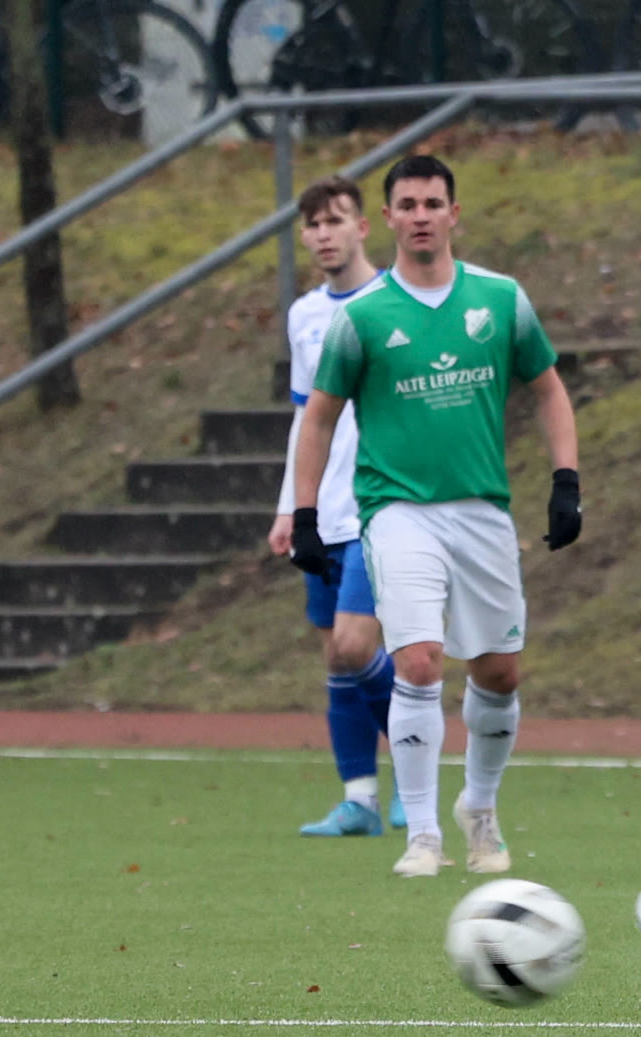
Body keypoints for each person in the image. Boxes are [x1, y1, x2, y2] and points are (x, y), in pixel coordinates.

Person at [289, 155, 582, 879]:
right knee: (418, 660)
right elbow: (318, 418)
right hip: (396, 512)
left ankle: (478, 808)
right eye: (408, 204)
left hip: (481, 509)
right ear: (387, 219)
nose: (421, 216)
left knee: (500, 673)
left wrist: (565, 480)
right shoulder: (360, 318)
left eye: (433, 203)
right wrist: (303, 513)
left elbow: (548, 389)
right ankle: (422, 832)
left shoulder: (501, 299)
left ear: (454, 213)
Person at [268, 176, 402, 837]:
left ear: (362, 227)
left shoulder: (394, 301)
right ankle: (361, 800)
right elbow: (306, 420)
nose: (324, 234)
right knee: (336, 657)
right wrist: (289, 508)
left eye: (335, 220)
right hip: (320, 512)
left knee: (356, 647)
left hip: (379, 508)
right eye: (313, 224)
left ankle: (416, 776)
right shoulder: (304, 315)